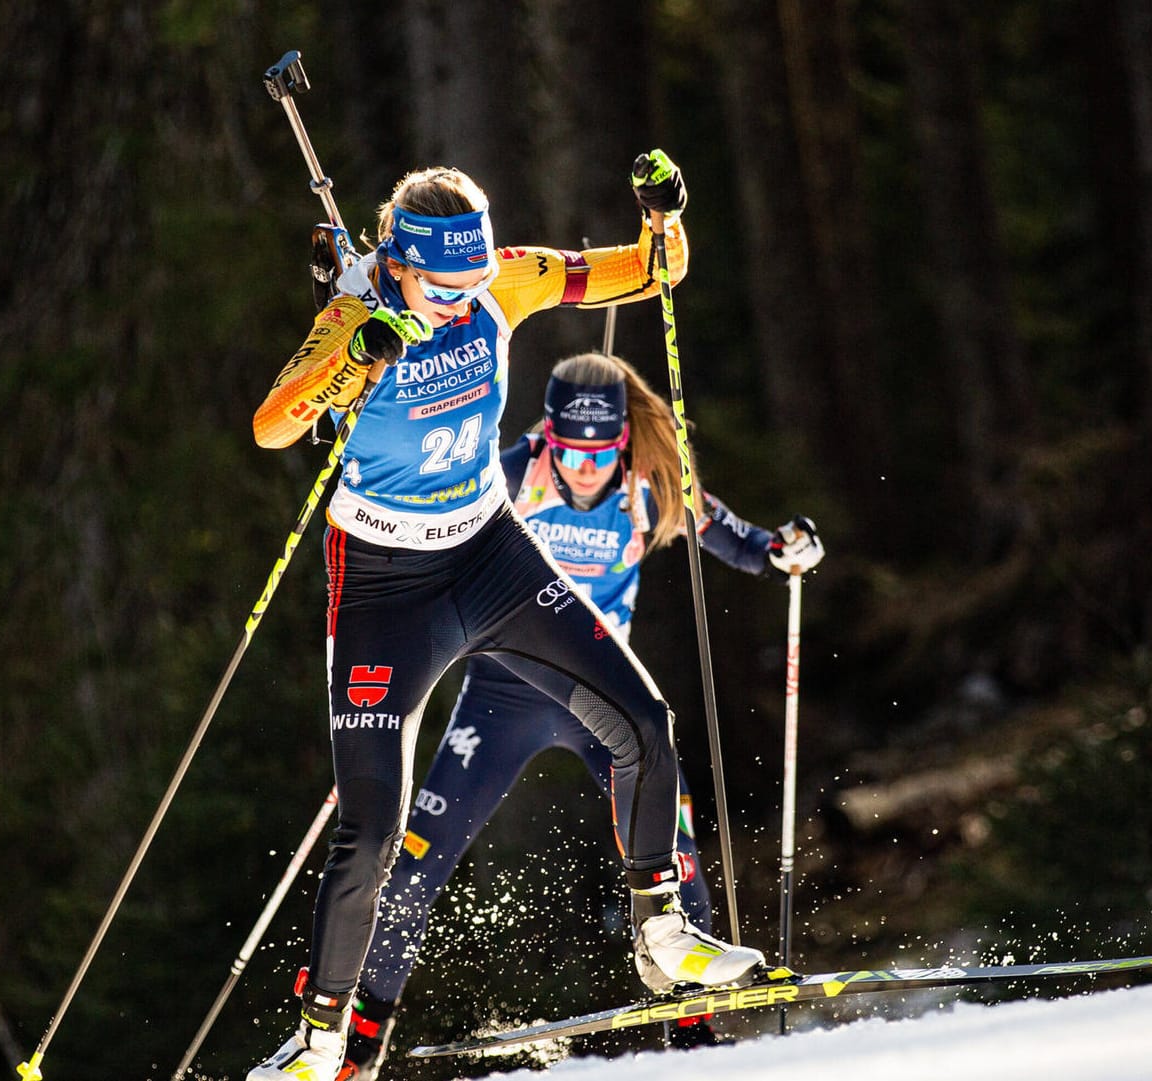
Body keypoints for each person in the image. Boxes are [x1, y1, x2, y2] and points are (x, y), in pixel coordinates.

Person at [246, 152, 767, 1081]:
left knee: (644, 719)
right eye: (444, 286)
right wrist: (353, 363)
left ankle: (662, 931)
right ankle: (319, 1039)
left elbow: (653, 271)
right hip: (383, 587)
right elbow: (274, 425)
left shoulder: (507, 281)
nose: (461, 299)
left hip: (490, 555)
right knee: (370, 825)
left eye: (473, 279)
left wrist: (664, 218)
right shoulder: (350, 316)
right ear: (400, 263)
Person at [340, 351, 826, 1077]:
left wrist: (784, 551)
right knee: (411, 869)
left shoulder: (651, 484)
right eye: (571, 450)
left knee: (674, 842)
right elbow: (422, 549)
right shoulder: (505, 476)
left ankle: (692, 1030)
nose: (588, 467)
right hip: (498, 700)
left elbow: (737, 540)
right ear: (548, 434)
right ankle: (358, 1043)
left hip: (599, 703)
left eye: (602, 451)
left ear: (622, 440)